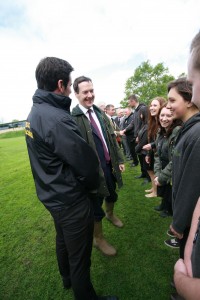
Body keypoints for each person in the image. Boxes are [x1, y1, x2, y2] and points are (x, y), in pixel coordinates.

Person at [25, 57, 118, 300]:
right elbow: (86, 165)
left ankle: (66, 278)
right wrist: (88, 188)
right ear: (60, 84)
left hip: (53, 196)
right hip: (70, 200)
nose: (68, 88)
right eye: (68, 84)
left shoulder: (37, 112)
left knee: (63, 241)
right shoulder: (56, 119)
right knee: (80, 258)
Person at [72, 76, 125, 257]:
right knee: (95, 208)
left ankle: (110, 214)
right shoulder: (72, 118)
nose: (89, 95)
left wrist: (119, 159)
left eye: (91, 91)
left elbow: (110, 137)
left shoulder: (100, 113)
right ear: (76, 94)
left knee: (112, 194)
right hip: (92, 174)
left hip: (109, 166)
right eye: (85, 92)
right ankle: (98, 239)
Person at [154, 104, 181, 218]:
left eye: (169, 116)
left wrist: (161, 177)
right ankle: (164, 205)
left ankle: (169, 209)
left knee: (171, 191)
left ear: (174, 117)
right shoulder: (160, 131)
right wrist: (157, 172)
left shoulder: (177, 132)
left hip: (172, 169)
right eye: (162, 115)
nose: (164, 119)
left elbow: (175, 159)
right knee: (164, 190)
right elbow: (157, 154)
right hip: (163, 166)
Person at [143, 97, 166, 196]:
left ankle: (156, 192)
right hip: (153, 152)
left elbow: (162, 141)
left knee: (157, 173)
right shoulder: (153, 121)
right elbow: (151, 139)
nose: (151, 108)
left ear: (162, 107)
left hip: (160, 154)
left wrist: (151, 146)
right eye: (151, 105)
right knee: (152, 172)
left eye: (155, 105)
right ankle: (154, 189)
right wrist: (148, 154)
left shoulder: (164, 121)